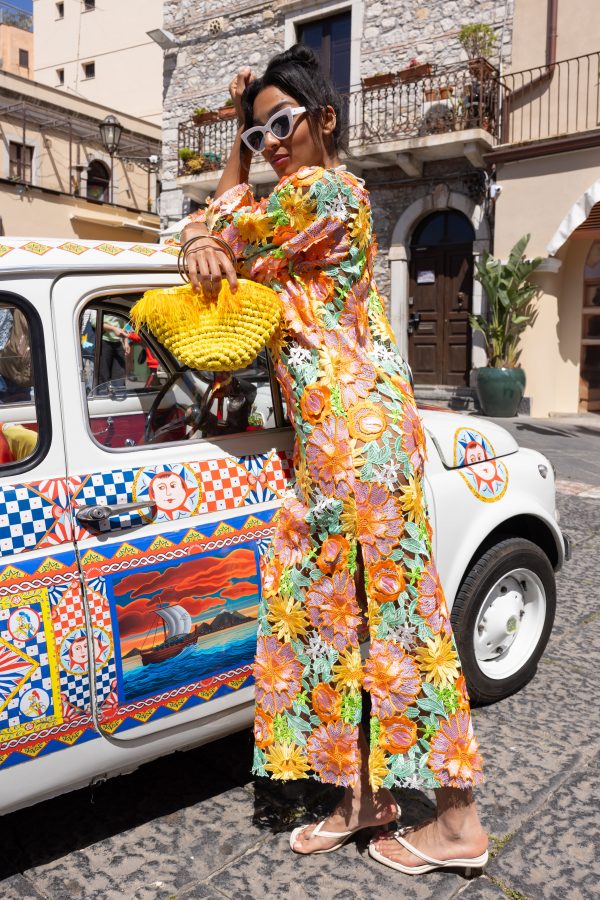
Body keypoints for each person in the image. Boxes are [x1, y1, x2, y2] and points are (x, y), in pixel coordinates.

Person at [180, 45, 488, 876]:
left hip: (359, 438)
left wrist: (209, 220)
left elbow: (218, 226)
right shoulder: (301, 199)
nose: (270, 142)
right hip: (336, 438)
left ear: (324, 123)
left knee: (396, 623)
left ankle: (457, 820)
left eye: (284, 125)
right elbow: (220, 228)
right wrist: (232, 147)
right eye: (259, 132)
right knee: (337, 619)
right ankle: (364, 797)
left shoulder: (325, 194)